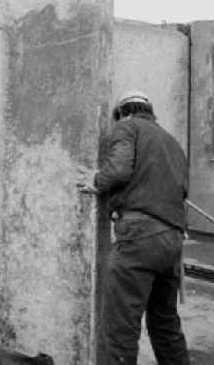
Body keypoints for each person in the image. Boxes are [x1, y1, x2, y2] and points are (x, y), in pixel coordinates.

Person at [77, 90, 190, 364]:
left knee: (120, 327)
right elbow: (182, 190)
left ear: (122, 112)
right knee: (165, 323)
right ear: (149, 111)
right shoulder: (172, 143)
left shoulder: (127, 126)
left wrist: (96, 180)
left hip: (140, 238)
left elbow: (119, 169)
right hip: (173, 241)